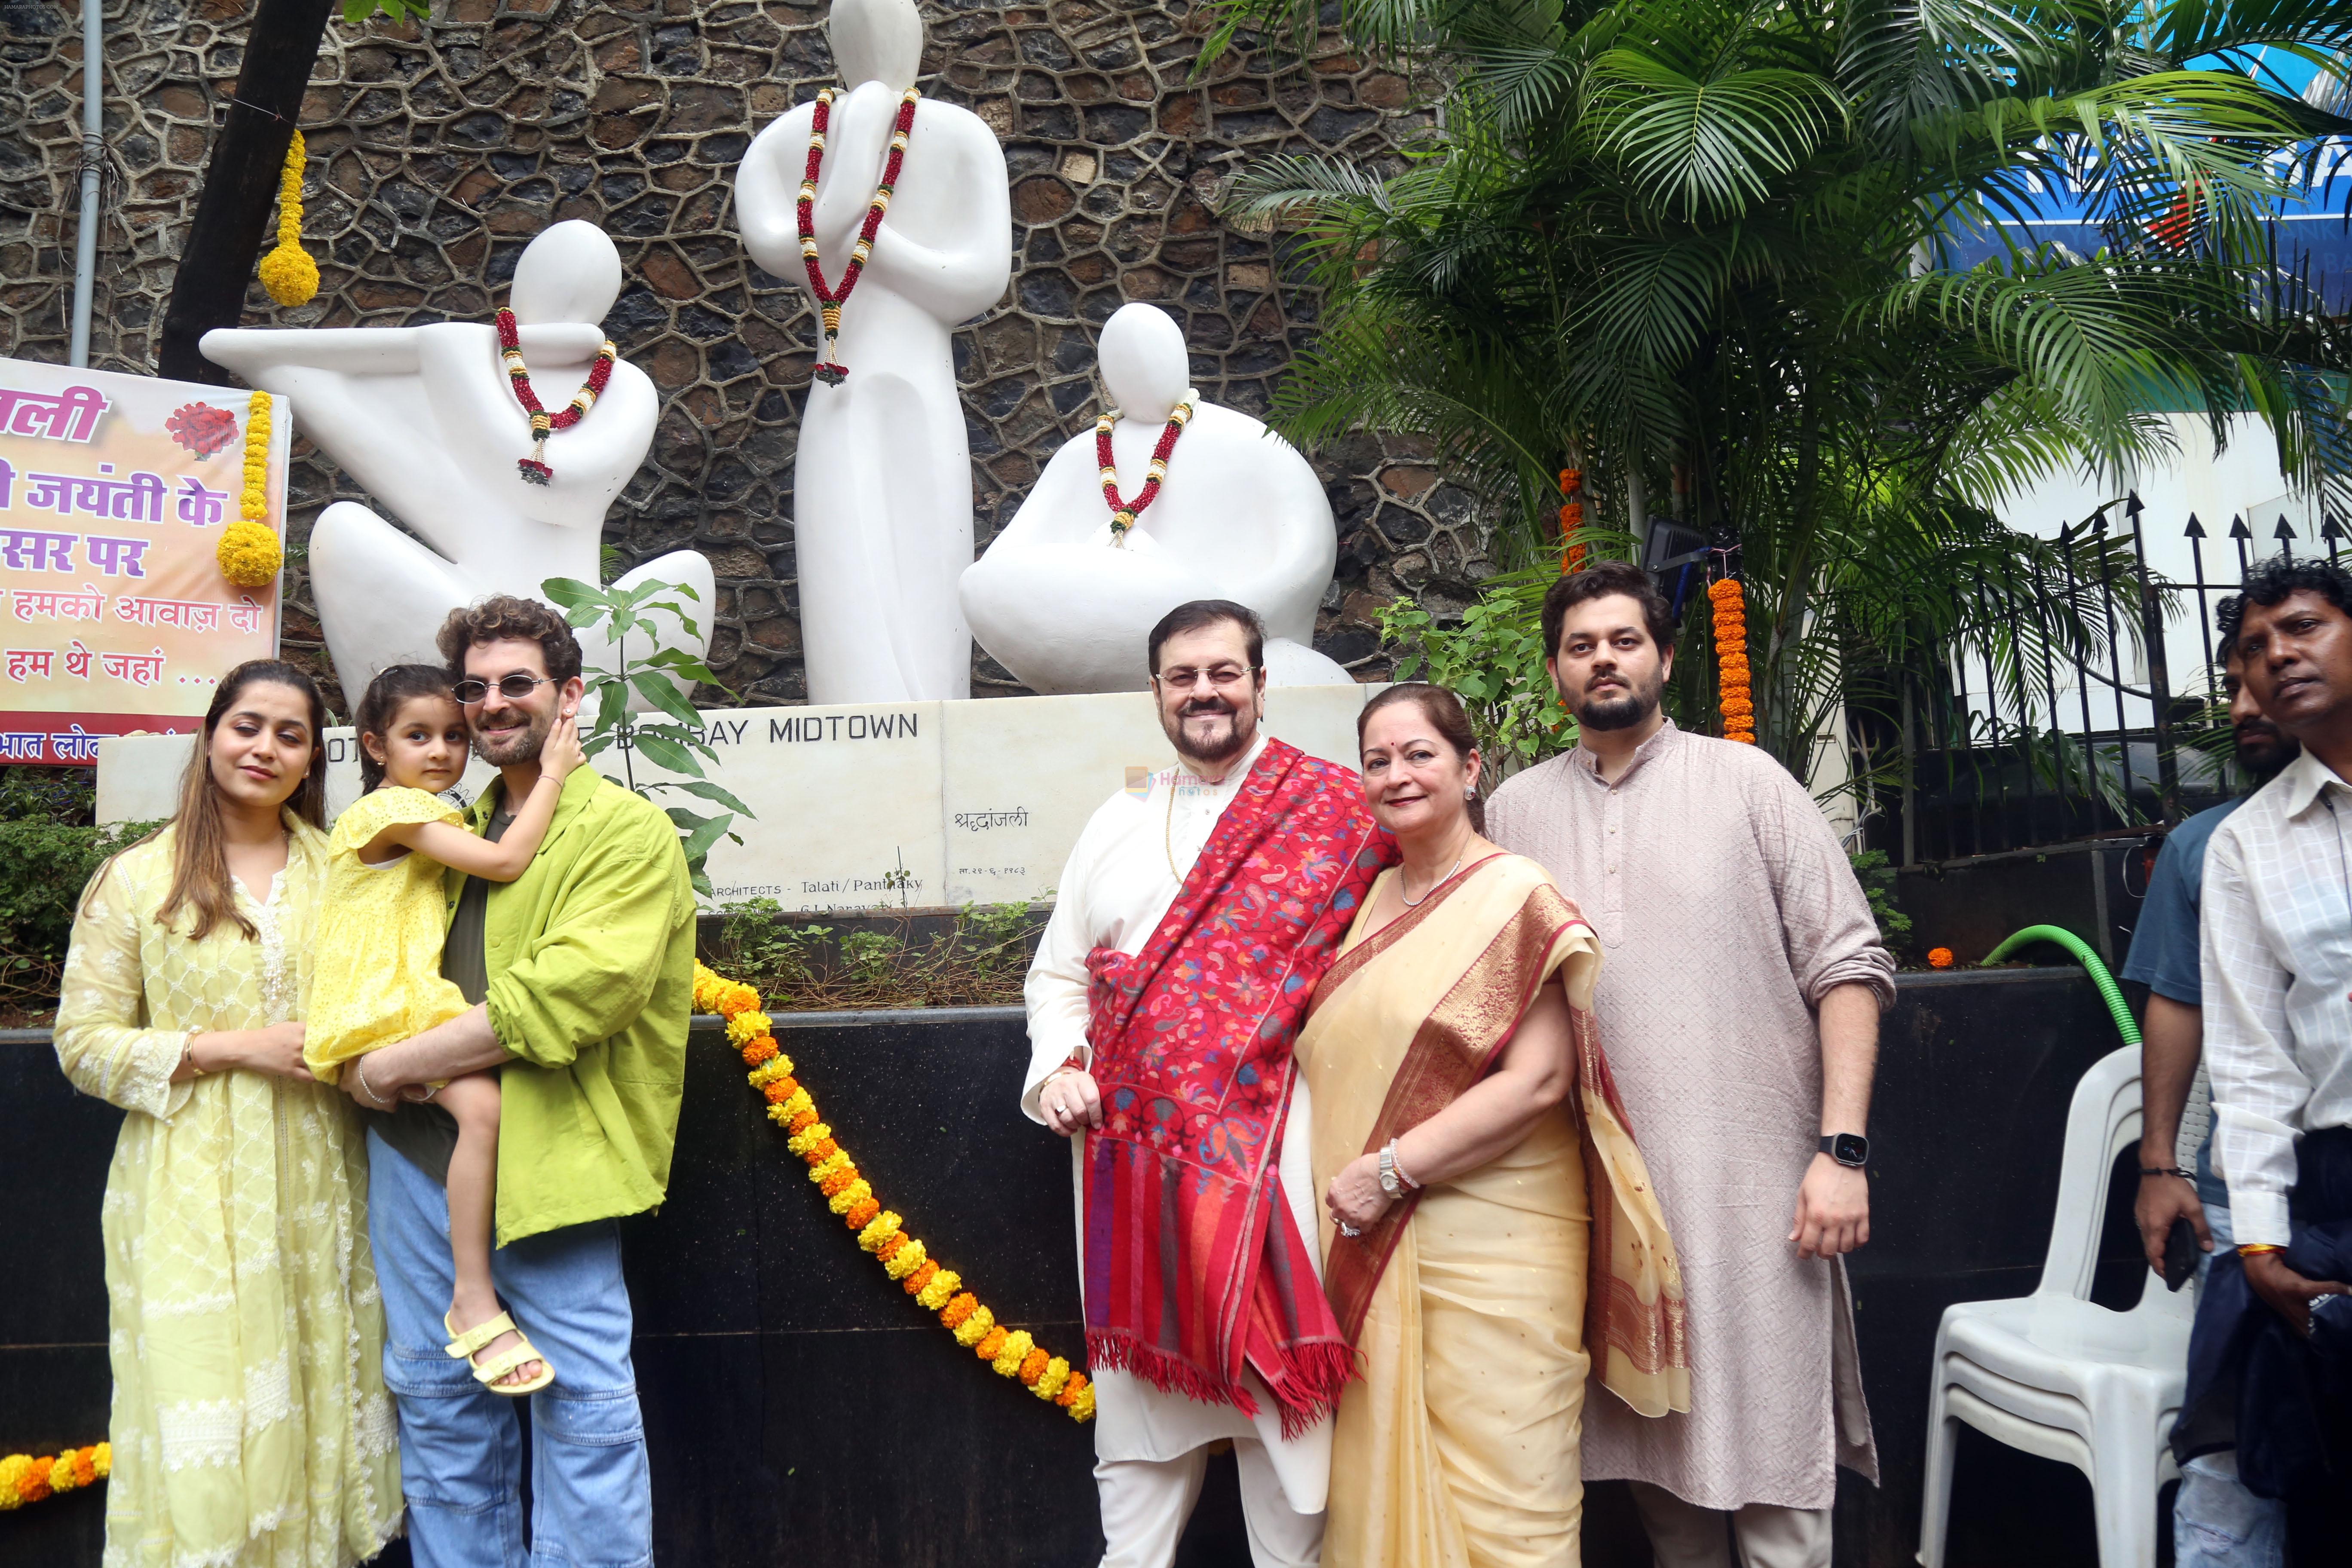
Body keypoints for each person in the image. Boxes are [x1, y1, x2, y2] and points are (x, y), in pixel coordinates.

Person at [1486, 561, 1892, 1568]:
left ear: (1666, 658)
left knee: (1777, 1485)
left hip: (1757, 1197)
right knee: (1662, 1489)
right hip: (1607, 1205)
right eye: (1582, 647)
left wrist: (1841, 1150)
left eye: (1624, 641)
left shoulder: (1749, 782)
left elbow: (1848, 966)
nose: (1604, 661)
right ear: (1555, 674)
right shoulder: (1516, 814)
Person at [1023, 598, 1393, 1568]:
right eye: (1182, 677)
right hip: (1130, 1173)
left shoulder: (1340, 813)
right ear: (1156, 693)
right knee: (1139, 1444)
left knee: (1286, 1444)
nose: (1205, 693)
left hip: (1276, 1156)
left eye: (1225, 673)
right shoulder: (1116, 821)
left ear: (1262, 685)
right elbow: (1060, 975)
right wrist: (1061, 1067)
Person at [335, 596, 697, 1565]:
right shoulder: (445, 826)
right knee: (437, 1398)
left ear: (569, 697)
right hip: (420, 1158)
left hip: (555, 1155)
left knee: (583, 1411)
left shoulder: (626, 833)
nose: (492, 705)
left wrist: (388, 1069)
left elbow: (571, 994)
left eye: (516, 685)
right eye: (475, 688)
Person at [1296, 682, 1688, 1568]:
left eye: (1419, 754)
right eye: (1377, 760)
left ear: (1471, 768)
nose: (1397, 775)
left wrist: (1389, 1172)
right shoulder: (1363, 902)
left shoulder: (1515, 893)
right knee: (1387, 1477)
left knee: (1516, 1505)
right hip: (1376, 1241)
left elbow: (1541, 1077)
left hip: (1497, 1245)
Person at [54, 660, 402, 1568]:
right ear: (212, 736)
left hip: (324, 1176)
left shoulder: (350, 874)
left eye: (291, 736)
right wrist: (231, 1047)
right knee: (205, 1402)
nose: (266, 748)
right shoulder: (137, 880)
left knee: (321, 1383)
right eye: (249, 726)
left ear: (309, 764)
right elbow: (82, 1044)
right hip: (187, 1184)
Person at [306, 663, 588, 1397]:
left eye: (454, 738)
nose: (440, 751)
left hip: (400, 999)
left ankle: (473, 1289)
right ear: (374, 745)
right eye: (417, 736)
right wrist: (554, 771)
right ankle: (472, 1295)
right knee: (485, 1107)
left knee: (484, 1109)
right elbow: (504, 860)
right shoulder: (388, 813)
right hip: (381, 1006)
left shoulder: (431, 815)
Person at [2180, 556, 2352, 1549]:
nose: (2279, 655)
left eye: (2303, 628)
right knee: (2319, 1479)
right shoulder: (2247, 846)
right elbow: (2249, 1065)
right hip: (2332, 1192)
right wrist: (2259, 1246)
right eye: (2255, 647)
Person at [2121, 646, 2297, 1568]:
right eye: (2230, 685)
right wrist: (2160, 1166)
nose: (2242, 703)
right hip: (2254, 1196)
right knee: (2231, 1454)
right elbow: (2176, 1006)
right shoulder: (2206, 846)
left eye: (2262, 675)